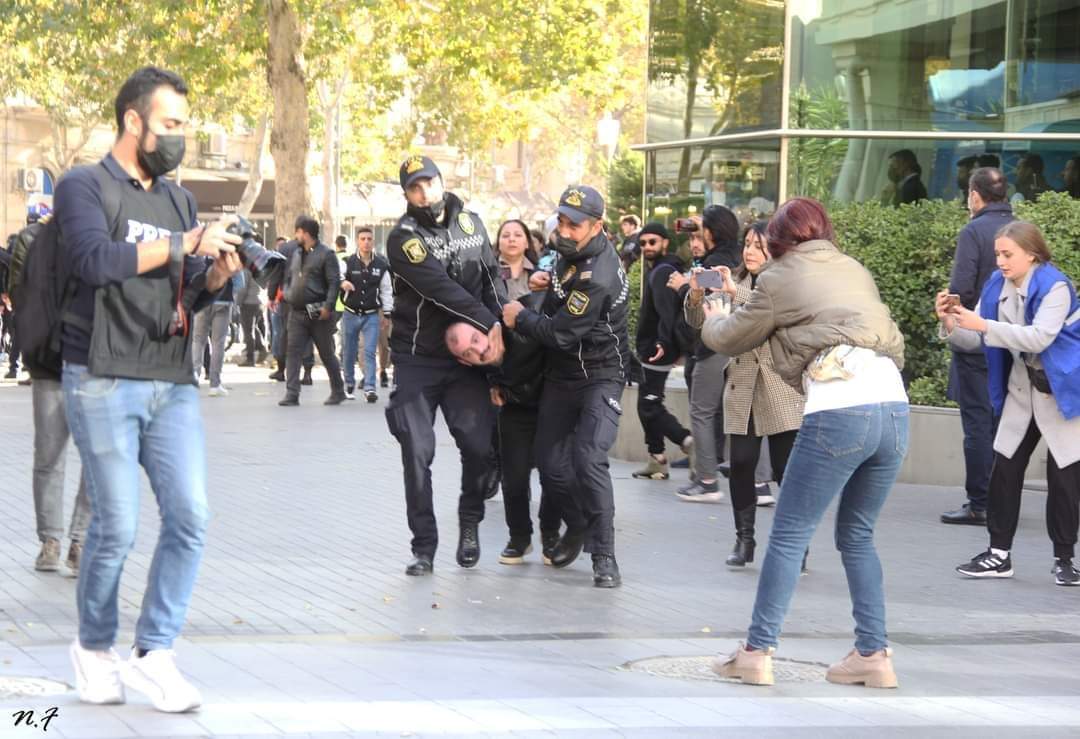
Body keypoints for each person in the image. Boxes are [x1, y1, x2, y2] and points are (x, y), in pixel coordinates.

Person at [56, 66, 245, 712]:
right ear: (133, 121)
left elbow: (184, 287)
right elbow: (92, 261)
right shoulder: (83, 185)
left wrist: (215, 275)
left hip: (169, 375)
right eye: (170, 124)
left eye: (183, 126)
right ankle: (93, 644)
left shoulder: (178, 198)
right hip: (101, 374)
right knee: (118, 525)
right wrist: (180, 243)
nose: (179, 137)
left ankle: (155, 650)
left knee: (191, 514)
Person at [703, 197, 908, 689]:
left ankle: (755, 651)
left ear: (778, 239)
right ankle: (873, 655)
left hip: (840, 407)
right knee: (857, 534)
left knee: (790, 534)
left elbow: (731, 337)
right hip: (893, 407)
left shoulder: (778, 275)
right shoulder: (853, 267)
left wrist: (713, 314)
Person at [502, 185, 631, 588]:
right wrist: (545, 283)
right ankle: (578, 525)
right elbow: (560, 301)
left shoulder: (599, 274)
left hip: (600, 374)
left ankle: (605, 556)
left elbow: (560, 334)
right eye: (561, 220)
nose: (564, 229)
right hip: (561, 377)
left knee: (589, 458)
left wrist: (519, 314)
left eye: (573, 224)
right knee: (551, 464)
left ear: (597, 226)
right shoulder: (567, 256)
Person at [383, 155, 505, 577]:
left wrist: (502, 333)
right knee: (417, 452)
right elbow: (441, 291)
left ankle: (469, 521)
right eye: (415, 187)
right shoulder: (403, 238)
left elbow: (491, 281)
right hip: (418, 358)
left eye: (429, 183)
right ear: (406, 195)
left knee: (478, 447)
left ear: (441, 181)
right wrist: (490, 324)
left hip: (467, 361)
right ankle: (424, 547)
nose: (424, 193)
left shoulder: (472, 224)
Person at [940, 222, 1080, 586]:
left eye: (1007, 254)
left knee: (1064, 475)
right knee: (1004, 469)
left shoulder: (1056, 286)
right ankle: (999, 554)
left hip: (1062, 389)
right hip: (1024, 388)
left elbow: (1039, 338)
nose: (1000, 261)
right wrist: (952, 322)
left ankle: (1065, 559)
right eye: (998, 254)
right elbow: (978, 338)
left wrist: (982, 325)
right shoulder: (995, 286)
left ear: (1031, 254)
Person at [683, 222, 805, 570]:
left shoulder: (784, 283)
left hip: (780, 387)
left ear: (776, 249)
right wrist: (695, 295)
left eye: (758, 245)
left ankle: (798, 542)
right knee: (740, 466)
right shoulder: (734, 281)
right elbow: (698, 322)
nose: (749, 251)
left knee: (785, 470)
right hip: (742, 385)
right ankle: (744, 538)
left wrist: (733, 291)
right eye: (748, 244)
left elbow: (774, 313)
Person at [941, 167, 1014, 526]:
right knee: (1003, 422)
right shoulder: (1021, 231)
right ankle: (1003, 499)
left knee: (977, 424)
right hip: (1014, 342)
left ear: (974, 195)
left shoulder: (974, 231)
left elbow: (961, 288)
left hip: (977, 344)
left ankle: (980, 502)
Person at [632, 222, 692, 480]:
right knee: (648, 402)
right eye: (643, 243)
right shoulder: (664, 269)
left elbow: (666, 313)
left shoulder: (661, 272)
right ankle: (656, 458)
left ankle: (685, 440)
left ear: (665, 242)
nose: (647, 247)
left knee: (649, 404)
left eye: (652, 242)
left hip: (656, 349)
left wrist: (663, 343)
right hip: (657, 346)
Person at [278, 217, 347, 406]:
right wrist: (287, 292)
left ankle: (338, 390)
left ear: (306, 233)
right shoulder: (297, 253)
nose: (295, 236)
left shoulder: (327, 254)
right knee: (292, 352)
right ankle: (292, 393)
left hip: (319, 313)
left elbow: (334, 282)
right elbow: (289, 276)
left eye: (298, 232)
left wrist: (328, 306)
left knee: (326, 353)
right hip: (297, 312)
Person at [340, 225, 392, 401]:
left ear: (373, 241)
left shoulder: (381, 265)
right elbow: (336, 276)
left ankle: (370, 388)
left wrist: (387, 313)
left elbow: (386, 290)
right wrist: (343, 283)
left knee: (370, 351)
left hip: (371, 315)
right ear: (357, 241)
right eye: (363, 239)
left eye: (369, 239)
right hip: (350, 313)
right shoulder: (348, 262)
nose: (366, 242)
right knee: (349, 350)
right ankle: (348, 382)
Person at [266, 224, 314, 384]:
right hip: (310, 298)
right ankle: (307, 373)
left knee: (286, 334)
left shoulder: (285, 249)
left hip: (289, 299)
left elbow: (276, 273)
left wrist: (272, 296)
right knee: (307, 334)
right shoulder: (317, 248)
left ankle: (282, 369)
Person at [190, 262, 240, 396]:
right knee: (218, 342)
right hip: (223, 301)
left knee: (198, 340)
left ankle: (194, 377)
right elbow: (239, 282)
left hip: (202, 301)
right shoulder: (229, 255)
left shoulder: (203, 252)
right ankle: (215, 384)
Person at [236, 250, 268, 368]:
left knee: (248, 331)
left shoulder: (246, 271)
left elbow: (242, 289)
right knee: (254, 328)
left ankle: (250, 358)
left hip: (248, 302)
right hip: (259, 302)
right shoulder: (260, 270)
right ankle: (262, 348)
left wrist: (238, 302)